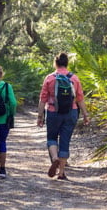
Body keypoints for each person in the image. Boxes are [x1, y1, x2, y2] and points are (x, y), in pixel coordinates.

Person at [36, 52, 90, 180]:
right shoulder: (74, 78)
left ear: (55, 63)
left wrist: (40, 116)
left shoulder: (50, 78)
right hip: (70, 112)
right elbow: (80, 98)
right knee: (65, 140)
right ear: (67, 63)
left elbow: (43, 99)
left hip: (53, 112)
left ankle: (54, 158)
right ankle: (61, 173)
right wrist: (86, 114)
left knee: (52, 138)